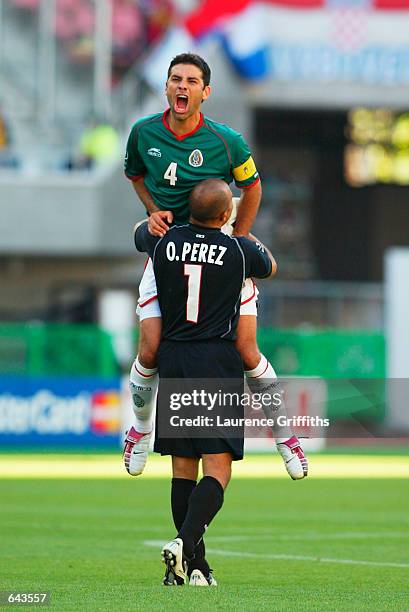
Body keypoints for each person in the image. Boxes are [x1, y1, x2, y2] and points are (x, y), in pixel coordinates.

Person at [124, 52, 307, 480]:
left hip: (219, 252)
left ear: (206, 92)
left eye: (191, 81)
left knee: (246, 349)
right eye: (175, 79)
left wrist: (239, 238)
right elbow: (134, 174)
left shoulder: (227, 141)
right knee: (150, 348)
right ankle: (139, 428)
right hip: (169, 256)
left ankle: (285, 435)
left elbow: (253, 185)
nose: (181, 87)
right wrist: (152, 209)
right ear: (166, 87)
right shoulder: (142, 133)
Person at [132, 179, 277, 586]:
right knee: (218, 469)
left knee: (183, 470)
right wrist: (242, 231)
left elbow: (139, 233)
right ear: (225, 215)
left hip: (174, 357)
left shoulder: (163, 241)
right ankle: (184, 544)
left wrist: (155, 220)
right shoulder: (237, 250)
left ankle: (195, 568)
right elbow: (270, 266)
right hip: (215, 359)